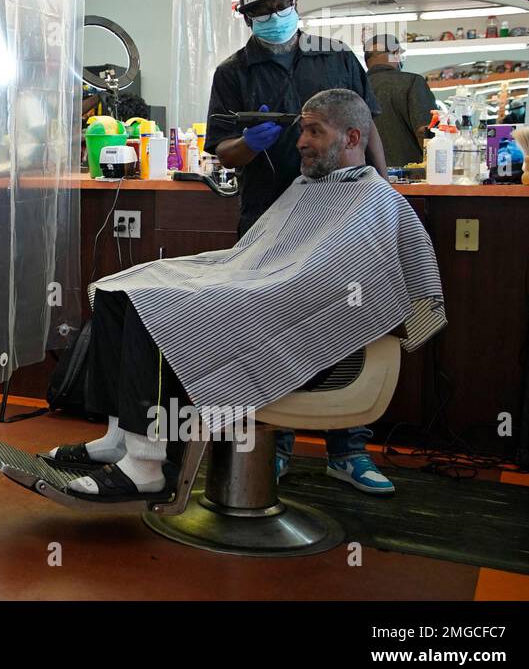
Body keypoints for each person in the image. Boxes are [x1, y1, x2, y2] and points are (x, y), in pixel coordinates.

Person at [43, 89, 444, 501]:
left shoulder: (376, 200)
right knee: (121, 286)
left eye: (315, 132)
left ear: (353, 138)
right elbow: (260, 259)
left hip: (303, 336)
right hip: (262, 295)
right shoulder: (308, 187)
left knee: (157, 304)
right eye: (302, 130)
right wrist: (234, 278)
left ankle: (146, 465)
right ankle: (120, 438)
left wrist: (237, 286)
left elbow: (321, 285)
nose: (301, 141)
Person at [205, 0, 394, 492]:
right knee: (272, 329)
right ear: (246, 17)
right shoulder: (233, 72)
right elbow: (220, 148)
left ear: (296, 0)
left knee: (351, 320)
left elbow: (368, 124)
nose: (273, 17)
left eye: (281, 5)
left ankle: (348, 449)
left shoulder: (336, 57)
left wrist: (384, 186)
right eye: (260, 12)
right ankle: (277, 443)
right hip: (270, 215)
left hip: (344, 215)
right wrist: (251, 143)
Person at [364, 33, 436, 168]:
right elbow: (424, 131)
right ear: (395, 53)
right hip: (408, 176)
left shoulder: (353, 88)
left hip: (366, 179)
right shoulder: (412, 82)